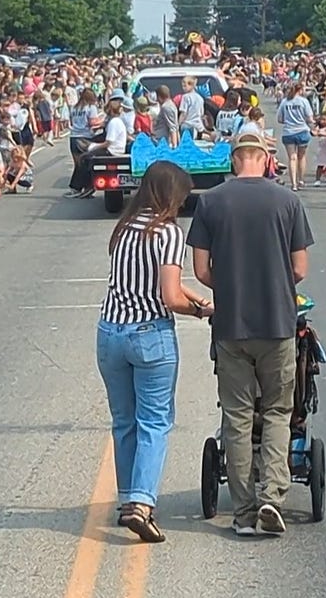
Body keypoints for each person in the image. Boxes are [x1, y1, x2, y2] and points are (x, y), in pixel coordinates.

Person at [188, 131, 314, 537]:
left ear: (233, 159)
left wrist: (228, 288)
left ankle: (242, 512)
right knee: (278, 411)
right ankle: (272, 498)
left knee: (238, 416)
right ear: (264, 158)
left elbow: (202, 270)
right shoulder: (287, 201)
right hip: (277, 324)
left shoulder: (210, 202)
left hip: (231, 326)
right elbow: (299, 269)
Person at [96, 161, 213, 544]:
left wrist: (193, 298)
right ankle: (142, 505)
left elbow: (145, 285)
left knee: (123, 420)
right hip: (150, 334)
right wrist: (199, 309)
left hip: (111, 331)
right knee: (154, 420)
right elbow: (169, 296)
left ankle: (128, 497)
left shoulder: (124, 229)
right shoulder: (167, 232)